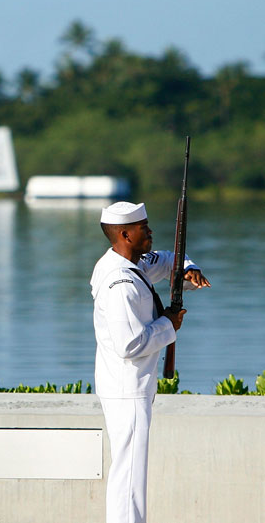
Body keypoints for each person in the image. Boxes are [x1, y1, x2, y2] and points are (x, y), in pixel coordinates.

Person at [90, 201, 210, 523]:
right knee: (129, 478)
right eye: (143, 228)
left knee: (128, 474)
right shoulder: (120, 283)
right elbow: (129, 344)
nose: (150, 232)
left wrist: (188, 268)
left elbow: (169, 260)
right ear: (126, 235)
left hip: (128, 386)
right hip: (126, 389)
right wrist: (169, 324)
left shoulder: (133, 263)